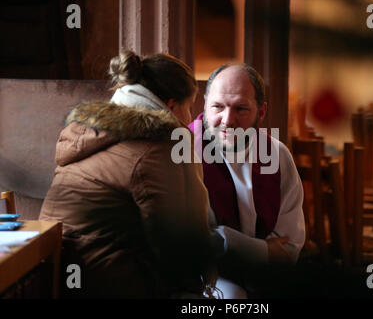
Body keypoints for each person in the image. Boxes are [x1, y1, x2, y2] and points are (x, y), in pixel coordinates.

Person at [39, 51, 215, 298]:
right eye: (189, 107)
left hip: (58, 280)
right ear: (171, 104)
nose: (188, 119)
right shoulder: (162, 144)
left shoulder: (89, 133)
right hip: (112, 283)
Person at [188, 64, 306, 298]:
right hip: (205, 275)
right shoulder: (185, 151)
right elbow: (193, 240)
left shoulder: (277, 154)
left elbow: (289, 245)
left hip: (264, 275)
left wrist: (242, 252)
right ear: (204, 104)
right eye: (217, 107)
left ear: (261, 112)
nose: (227, 120)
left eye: (241, 108)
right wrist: (261, 251)